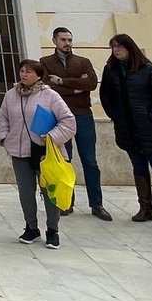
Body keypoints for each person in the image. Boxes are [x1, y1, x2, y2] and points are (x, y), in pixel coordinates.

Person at [99, 34, 152, 227]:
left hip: (151, 129)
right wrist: (114, 115)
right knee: (139, 168)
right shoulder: (110, 70)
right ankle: (145, 207)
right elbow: (105, 96)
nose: (117, 50)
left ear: (130, 48)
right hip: (127, 128)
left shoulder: (147, 69)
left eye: (120, 47)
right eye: (113, 47)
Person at [0, 59, 77, 247]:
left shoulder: (50, 96)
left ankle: (53, 230)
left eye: (29, 72)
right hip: (19, 151)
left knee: (49, 192)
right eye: (22, 71)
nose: (24, 74)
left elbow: (68, 121)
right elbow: (3, 118)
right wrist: (4, 137)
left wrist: (50, 136)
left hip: (44, 152)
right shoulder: (10, 95)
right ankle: (31, 228)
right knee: (25, 192)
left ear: (39, 75)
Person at [39, 26, 110, 220]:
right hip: (59, 118)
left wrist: (62, 81)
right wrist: (77, 86)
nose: (67, 43)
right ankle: (66, 202)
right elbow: (47, 88)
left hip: (83, 115)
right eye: (63, 39)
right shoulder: (45, 63)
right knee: (64, 160)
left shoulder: (83, 62)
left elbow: (91, 84)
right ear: (54, 41)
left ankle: (97, 204)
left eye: (69, 39)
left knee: (90, 161)